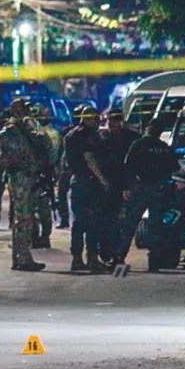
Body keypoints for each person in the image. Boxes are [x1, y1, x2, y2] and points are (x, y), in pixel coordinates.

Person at [0, 101, 49, 272]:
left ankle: (21, 257)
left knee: (25, 219)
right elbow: (5, 144)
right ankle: (22, 258)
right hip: (20, 178)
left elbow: (43, 141)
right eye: (24, 111)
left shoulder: (25, 129)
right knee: (23, 219)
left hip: (27, 177)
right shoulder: (10, 131)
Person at [116, 121, 180, 271]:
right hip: (158, 188)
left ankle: (119, 257)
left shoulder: (138, 145)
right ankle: (154, 262)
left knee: (130, 224)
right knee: (155, 226)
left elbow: (128, 166)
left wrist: (128, 186)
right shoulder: (163, 148)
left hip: (141, 188)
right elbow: (175, 167)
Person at [64, 107, 111, 273]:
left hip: (77, 181)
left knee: (78, 222)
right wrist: (103, 180)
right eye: (97, 119)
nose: (99, 123)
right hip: (89, 183)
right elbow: (89, 158)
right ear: (89, 119)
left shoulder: (70, 135)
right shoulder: (89, 135)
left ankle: (77, 258)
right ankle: (92, 259)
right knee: (92, 221)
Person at [100, 109, 141, 266]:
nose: (114, 123)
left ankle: (118, 255)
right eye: (111, 120)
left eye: (117, 120)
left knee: (124, 222)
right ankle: (106, 253)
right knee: (107, 220)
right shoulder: (102, 138)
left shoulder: (132, 138)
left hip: (126, 184)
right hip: (107, 185)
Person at [30, 102, 62, 249]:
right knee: (43, 209)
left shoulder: (44, 135)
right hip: (44, 175)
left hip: (40, 176)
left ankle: (39, 238)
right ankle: (41, 237)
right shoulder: (53, 134)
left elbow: (52, 157)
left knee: (37, 210)